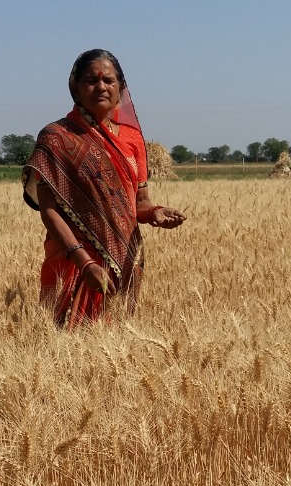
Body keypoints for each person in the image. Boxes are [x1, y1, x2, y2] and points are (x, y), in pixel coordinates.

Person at [22, 49, 186, 328]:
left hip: (125, 258)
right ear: (75, 87)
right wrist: (85, 263)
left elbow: (140, 203)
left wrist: (155, 213)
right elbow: (49, 210)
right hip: (72, 260)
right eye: (91, 80)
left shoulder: (133, 139)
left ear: (121, 88)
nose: (101, 87)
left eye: (109, 80)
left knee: (116, 335)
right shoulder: (56, 137)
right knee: (61, 342)